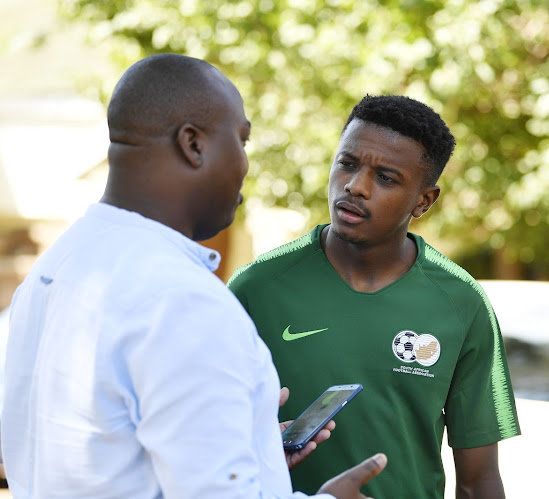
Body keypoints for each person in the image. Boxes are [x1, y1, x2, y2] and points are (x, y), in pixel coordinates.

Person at [0, 53, 386, 498]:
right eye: (241, 141)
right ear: (194, 144)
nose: (245, 164)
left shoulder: (57, 266)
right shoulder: (183, 301)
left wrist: (254, 458)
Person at [228, 95, 520, 498]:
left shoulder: (462, 303)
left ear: (423, 200)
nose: (355, 186)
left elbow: (479, 480)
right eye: (347, 163)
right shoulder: (256, 288)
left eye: (385, 177)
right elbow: (203, 442)